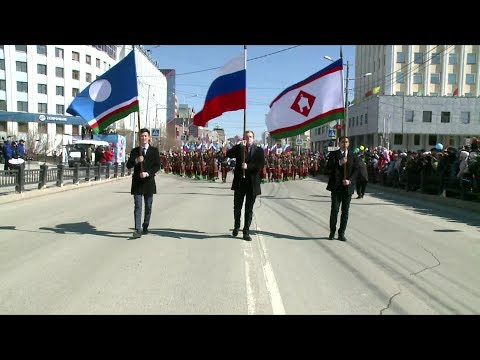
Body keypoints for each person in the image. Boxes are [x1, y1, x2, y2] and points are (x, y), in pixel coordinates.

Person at [226, 130, 265, 241]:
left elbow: (260, 164)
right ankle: (236, 226)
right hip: (240, 183)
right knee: (237, 207)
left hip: (252, 184)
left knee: (249, 209)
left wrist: (248, 166)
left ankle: (246, 231)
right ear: (243, 138)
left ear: (253, 138)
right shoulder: (239, 148)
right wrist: (239, 146)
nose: (249, 139)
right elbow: (228, 154)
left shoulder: (259, 150)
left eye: (251, 137)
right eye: (246, 137)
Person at [126, 128, 161, 239]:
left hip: (149, 182)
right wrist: (136, 160)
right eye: (142, 136)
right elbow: (128, 165)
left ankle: (145, 225)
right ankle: (137, 229)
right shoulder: (135, 151)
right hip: (137, 182)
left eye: (145, 136)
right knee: (138, 206)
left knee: (148, 206)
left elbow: (157, 166)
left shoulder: (154, 151)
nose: (143, 138)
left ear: (149, 137)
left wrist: (147, 174)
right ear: (139, 138)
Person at [326, 136, 359, 241]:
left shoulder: (353, 155)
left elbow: (356, 170)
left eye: (347, 142)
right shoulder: (334, 154)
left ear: (349, 143)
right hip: (336, 187)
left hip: (347, 188)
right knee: (334, 210)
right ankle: (332, 232)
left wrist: (350, 181)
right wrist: (339, 163)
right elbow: (328, 168)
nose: (345, 144)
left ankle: (341, 233)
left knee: (345, 212)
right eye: (343, 142)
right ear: (339, 143)